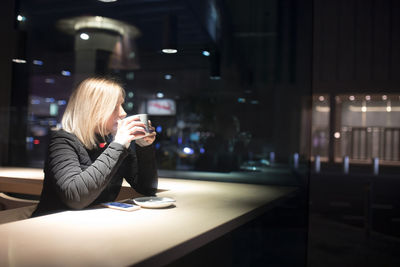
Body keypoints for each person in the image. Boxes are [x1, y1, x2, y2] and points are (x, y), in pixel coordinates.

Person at [31, 77, 158, 217]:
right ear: (93, 110)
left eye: (122, 105)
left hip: (93, 223)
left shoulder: (111, 142)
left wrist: (144, 146)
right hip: (53, 226)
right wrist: (119, 144)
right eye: (115, 106)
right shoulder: (62, 141)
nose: (123, 113)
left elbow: (147, 188)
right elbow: (76, 198)